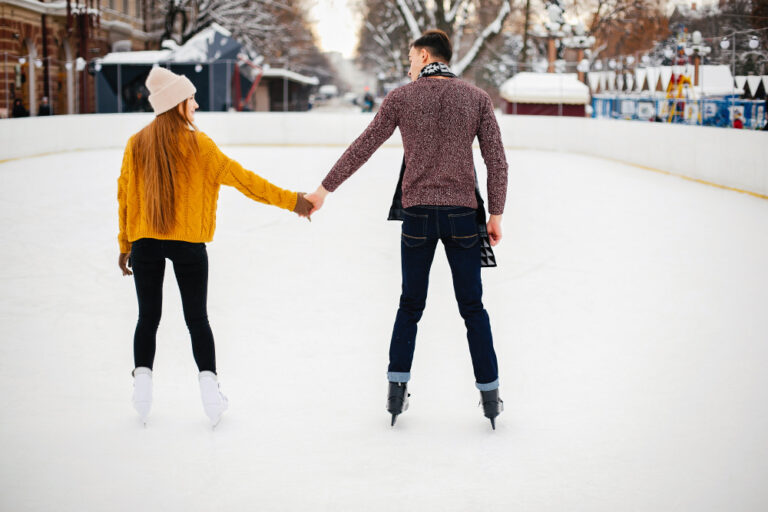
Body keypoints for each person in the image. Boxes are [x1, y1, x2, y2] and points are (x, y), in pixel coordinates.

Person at [305, 29, 508, 429]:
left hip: (417, 216)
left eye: (410, 56)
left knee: (410, 306)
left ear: (424, 54)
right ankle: (489, 396)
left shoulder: (402, 97)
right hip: (462, 216)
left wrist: (323, 190)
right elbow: (496, 161)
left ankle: (396, 392)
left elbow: (363, 146)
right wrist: (495, 215)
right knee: (473, 308)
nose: (408, 63)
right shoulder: (476, 98)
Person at [117, 67, 313, 427]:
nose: (196, 103)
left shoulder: (137, 143)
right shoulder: (200, 145)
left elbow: (124, 198)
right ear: (175, 103)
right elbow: (245, 181)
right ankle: (210, 395)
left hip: (145, 242)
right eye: (190, 98)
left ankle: (141, 390)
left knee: (148, 318)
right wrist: (295, 201)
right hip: (189, 246)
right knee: (197, 320)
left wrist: (125, 244)